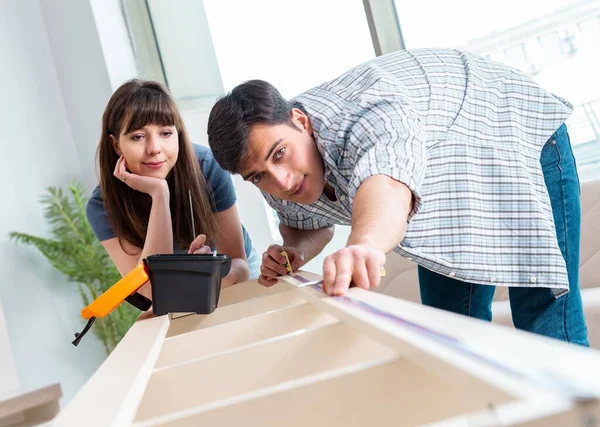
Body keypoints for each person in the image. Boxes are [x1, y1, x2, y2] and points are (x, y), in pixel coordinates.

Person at [206, 48, 589, 346]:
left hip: (512, 132)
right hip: (447, 179)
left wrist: (365, 244)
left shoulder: (367, 114)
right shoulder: (273, 172)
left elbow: (387, 185)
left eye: (279, 155)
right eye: (259, 175)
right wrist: (296, 250)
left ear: (300, 121)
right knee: (449, 333)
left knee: (544, 320)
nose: (282, 180)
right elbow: (307, 222)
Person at [86, 79, 260, 306]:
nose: (155, 148)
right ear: (116, 144)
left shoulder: (206, 166)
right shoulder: (103, 206)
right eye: (138, 136)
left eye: (166, 133)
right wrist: (159, 194)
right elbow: (153, 290)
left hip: (230, 281)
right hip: (173, 300)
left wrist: (210, 273)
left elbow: (240, 266)